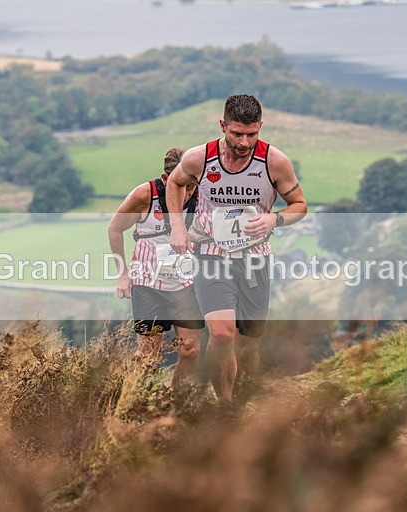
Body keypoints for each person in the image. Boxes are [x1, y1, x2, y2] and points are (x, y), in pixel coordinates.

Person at [166, 94, 308, 402]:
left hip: (254, 260)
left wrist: (275, 219)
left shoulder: (275, 162)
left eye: (252, 134)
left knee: (248, 347)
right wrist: (178, 226)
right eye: (236, 134)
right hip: (211, 257)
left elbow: (300, 205)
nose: (244, 142)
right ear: (223, 126)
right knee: (221, 334)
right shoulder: (199, 158)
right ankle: (226, 408)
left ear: (260, 128)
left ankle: (245, 398)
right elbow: (174, 183)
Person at [108, 147, 204, 388]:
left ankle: (174, 399)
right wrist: (122, 274)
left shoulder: (201, 195)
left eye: (191, 187)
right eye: (181, 187)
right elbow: (115, 229)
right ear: (166, 179)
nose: (186, 194)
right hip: (147, 284)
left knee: (190, 350)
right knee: (149, 357)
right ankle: (134, 401)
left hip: (185, 284)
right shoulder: (145, 195)